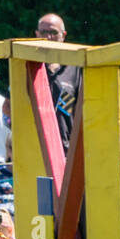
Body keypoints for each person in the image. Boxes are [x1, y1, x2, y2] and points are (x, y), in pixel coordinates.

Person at [35, 13, 82, 151]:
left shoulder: (74, 68)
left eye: (53, 32)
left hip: (65, 149)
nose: (48, 37)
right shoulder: (28, 66)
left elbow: (81, 109)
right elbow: (7, 107)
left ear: (63, 36)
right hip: (34, 149)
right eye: (43, 32)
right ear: (36, 34)